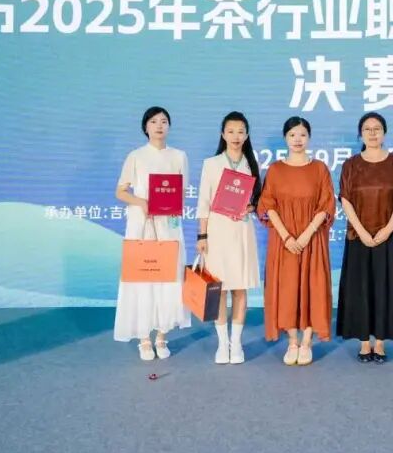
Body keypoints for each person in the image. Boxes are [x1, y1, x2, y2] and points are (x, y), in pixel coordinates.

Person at [114, 106, 191, 361]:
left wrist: (169, 207)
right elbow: (120, 191)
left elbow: (181, 193)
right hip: (142, 224)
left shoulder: (179, 156)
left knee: (168, 277)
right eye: (154, 121)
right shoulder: (136, 156)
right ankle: (144, 338)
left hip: (168, 225)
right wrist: (141, 202)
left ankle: (161, 336)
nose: (159, 125)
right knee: (143, 277)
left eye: (164, 121)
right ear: (145, 127)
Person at [257, 117, 335, 365]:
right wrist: (287, 236)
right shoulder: (275, 170)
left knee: (313, 287)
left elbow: (326, 205)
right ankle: (292, 341)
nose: (297, 139)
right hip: (284, 241)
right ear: (285, 138)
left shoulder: (320, 169)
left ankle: (307, 342)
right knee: (288, 287)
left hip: (312, 238)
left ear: (309, 137)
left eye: (302, 134)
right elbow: (268, 205)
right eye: (292, 135)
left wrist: (306, 234)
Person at [336, 113, 393, 363]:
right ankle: (364, 343)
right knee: (361, 289)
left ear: (384, 132)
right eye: (367, 129)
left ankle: (379, 342)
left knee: (384, 289)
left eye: (377, 128)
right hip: (358, 237)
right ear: (360, 134)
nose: (372, 133)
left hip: (389, 237)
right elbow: (345, 199)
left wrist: (387, 229)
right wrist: (361, 230)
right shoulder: (351, 165)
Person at [195, 112, 262, 365]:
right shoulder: (211, 164)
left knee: (240, 288)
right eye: (231, 131)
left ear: (247, 135)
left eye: (241, 131)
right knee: (220, 289)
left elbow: (259, 200)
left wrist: (250, 208)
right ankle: (223, 344)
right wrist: (202, 235)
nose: (236, 136)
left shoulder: (251, 163)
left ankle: (237, 344)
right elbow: (203, 201)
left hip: (242, 231)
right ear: (223, 134)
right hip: (217, 232)